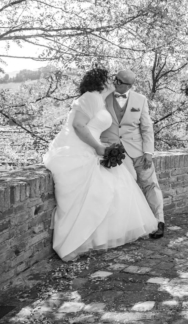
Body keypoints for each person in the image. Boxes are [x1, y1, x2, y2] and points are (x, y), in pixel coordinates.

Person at [44, 68, 158, 261]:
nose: (113, 81)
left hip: (94, 148)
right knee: (91, 194)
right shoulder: (90, 97)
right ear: (100, 81)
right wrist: (98, 147)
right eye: (109, 78)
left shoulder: (100, 99)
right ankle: (76, 241)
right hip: (81, 150)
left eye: (117, 79)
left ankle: (103, 236)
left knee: (114, 187)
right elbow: (78, 125)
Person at [101, 69, 165, 239]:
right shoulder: (103, 97)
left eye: (120, 82)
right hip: (113, 152)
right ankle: (133, 226)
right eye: (115, 79)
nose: (115, 83)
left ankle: (159, 221)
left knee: (150, 184)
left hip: (138, 151)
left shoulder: (140, 99)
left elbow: (146, 127)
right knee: (126, 188)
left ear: (129, 85)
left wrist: (148, 152)